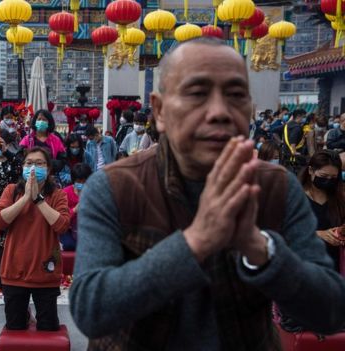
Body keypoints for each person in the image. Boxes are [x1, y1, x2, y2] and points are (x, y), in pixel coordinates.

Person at [70, 38, 345, 350]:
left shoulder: (276, 187)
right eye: (197, 94)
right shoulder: (115, 186)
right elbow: (90, 310)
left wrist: (260, 249)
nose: (219, 112)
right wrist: (196, 241)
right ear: (159, 111)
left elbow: (332, 312)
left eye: (236, 95)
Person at [0, 147, 70, 332]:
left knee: (48, 329)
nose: (33, 168)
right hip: (14, 272)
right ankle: (27, 316)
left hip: (46, 274)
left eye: (39, 163)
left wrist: (38, 200)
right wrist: (26, 197)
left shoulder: (58, 195)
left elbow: (62, 225)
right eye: (29, 163)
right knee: (15, 328)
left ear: (49, 169)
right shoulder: (11, 190)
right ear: (22, 167)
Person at [299, 151, 345, 272]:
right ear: (311, 171)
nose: (328, 181)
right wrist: (318, 234)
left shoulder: (339, 198)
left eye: (333, 178)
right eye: (324, 176)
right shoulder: (295, 198)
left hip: (334, 267)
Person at [60, 163, 92, 251]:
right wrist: (74, 210)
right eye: (79, 181)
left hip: (87, 229)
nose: (81, 184)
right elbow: (61, 218)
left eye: (84, 181)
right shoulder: (65, 193)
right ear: (74, 180)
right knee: (69, 245)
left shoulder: (93, 193)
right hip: (69, 229)